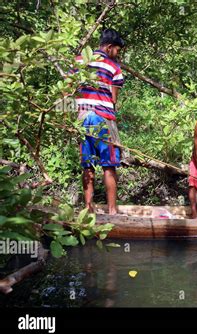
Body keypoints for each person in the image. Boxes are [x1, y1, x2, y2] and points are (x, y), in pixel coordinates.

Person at [73, 29, 125, 214]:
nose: (118, 54)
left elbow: (68, 90)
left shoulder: (79, 61)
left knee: (88, 164)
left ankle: (88, 208)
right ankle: (112, 211)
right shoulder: (114, 68)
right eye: (117, 50)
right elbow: (113, 99)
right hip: (104, 119)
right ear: (109, 47)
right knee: (109, 164)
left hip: (82, 118)